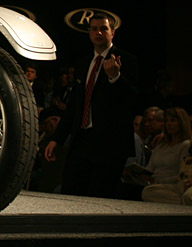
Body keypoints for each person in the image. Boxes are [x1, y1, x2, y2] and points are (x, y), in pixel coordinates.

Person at [44, 13, 139, 198]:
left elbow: (133, 99)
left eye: (104, 28)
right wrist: (57, 139)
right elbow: (74, 106)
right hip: (82, 139)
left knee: (100, 196)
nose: (99, 33)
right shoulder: (83, 63)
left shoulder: (126, 60)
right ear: (89, 33)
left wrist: (115, 77)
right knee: (70, 192)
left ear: (113, 33)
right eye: (94, 29)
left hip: (110, 144)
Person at [140, 108, 191, 204]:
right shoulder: (161, 145)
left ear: (181, 122)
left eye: (173, 120)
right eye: (166, 121)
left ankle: (183, 202)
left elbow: (182, 175)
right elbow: (150, 168)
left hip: (173, 184)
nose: (169, 124)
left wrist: (157, 180)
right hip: (156, 184)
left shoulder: (185, 145)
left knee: (148, 192)